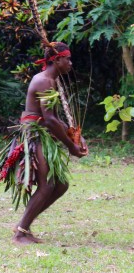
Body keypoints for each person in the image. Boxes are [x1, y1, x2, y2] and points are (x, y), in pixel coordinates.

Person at [11, 42, 88, 245]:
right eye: (68, 59)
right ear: (56, 59)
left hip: (43, 132)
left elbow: (55, 118)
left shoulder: (52, 81)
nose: (70, 63)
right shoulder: (44, 80)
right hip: (35, 135)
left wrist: (77, 137)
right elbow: (49, 120)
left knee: (61, 185)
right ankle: (20, 232)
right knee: (48, 185)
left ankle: (24, 226)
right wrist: (71, 147)